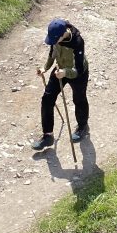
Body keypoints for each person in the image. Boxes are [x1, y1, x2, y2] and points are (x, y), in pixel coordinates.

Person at [32, 18, 90, 150]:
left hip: (78, 73)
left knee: (79, 99)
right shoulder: (55, 39)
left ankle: (82, 126)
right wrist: (45, 68)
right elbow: (52, 53)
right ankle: (48, 135)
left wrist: (65, 72)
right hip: (60, 70)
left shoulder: (77, 41)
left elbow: (79, 68)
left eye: (54, 39)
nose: (52, 42)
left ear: (63, 34)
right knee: (47, 99)